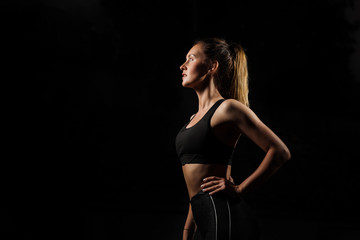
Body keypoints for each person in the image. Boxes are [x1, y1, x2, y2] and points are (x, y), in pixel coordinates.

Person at [175, 38, 291, 240]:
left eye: (191, 59)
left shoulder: (228, 108)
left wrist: (240, 188)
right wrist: (187, 232)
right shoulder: (192, 120)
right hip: (202, 219)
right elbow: (197, 189)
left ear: (212, 66)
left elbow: (280, 152)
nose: (182, 66)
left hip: (224, 217)